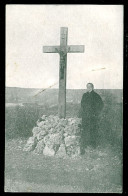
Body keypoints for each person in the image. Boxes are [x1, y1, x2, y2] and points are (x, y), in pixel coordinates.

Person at [80, 83, 104, 153]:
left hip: (93, 117)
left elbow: (101, 105)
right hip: (86, 116)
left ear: (93, 87)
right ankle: (85, 145)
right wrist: (84, 112)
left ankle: (93, 145)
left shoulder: (96, 96)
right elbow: (82, 104)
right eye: (87, 87)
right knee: (85, 130)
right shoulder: (84, 95)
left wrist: (96, 113)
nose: (88, 88)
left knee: (93, 130)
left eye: (90, 87)